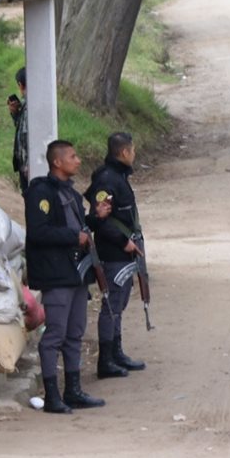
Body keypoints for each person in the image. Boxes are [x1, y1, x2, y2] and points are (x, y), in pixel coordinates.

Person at [25, 139, 110, 413]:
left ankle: (73, 391)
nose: (78, 160)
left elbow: (81, 230)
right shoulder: (41, 192)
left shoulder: (71, 195)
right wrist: (74, 237)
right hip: (56, 275)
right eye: (73, 156)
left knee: (75, 333)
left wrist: (95, 218)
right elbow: (38, 232)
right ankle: (52, 396)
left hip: (76, 275)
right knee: (55, 335)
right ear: (57, 162)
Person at [86, 132, 147, 379]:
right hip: (114, 252)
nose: (134, 155)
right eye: (132, 151)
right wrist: (124, 242)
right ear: (124, 152)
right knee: (112, 304)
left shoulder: (118, 176)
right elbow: (101, 221)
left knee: (120, 302)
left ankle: (116, 352)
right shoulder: (107, 180)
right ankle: (106, 360)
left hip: (124, 251)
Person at [8, 68, 28, 188]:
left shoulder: (28, 106)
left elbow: (24, 136)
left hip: (27, 166)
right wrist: (16, 114)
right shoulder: (28, 104)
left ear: (20, 85)